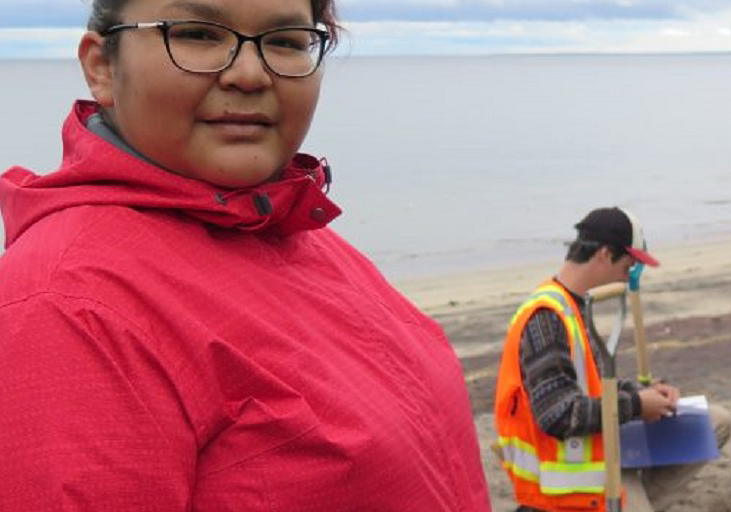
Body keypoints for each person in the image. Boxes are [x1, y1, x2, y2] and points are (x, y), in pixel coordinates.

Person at [0, 0, 491, 510]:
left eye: (286, 42)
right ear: (101, 67)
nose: (251, 74)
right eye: (196, 34)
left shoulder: (294, 232)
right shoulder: (71, 307)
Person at [493, 206, 730, 512]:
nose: (629, 275)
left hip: (606, 447)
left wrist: (639, 392)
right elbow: (558, 415)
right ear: (605, 254)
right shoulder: (547, 317)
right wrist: (636, 406)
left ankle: (638, 500)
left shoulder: (574, 306)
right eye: (629, 265)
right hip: (567, 484)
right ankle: (630, 502)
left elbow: (588, 383)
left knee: (715, 423)